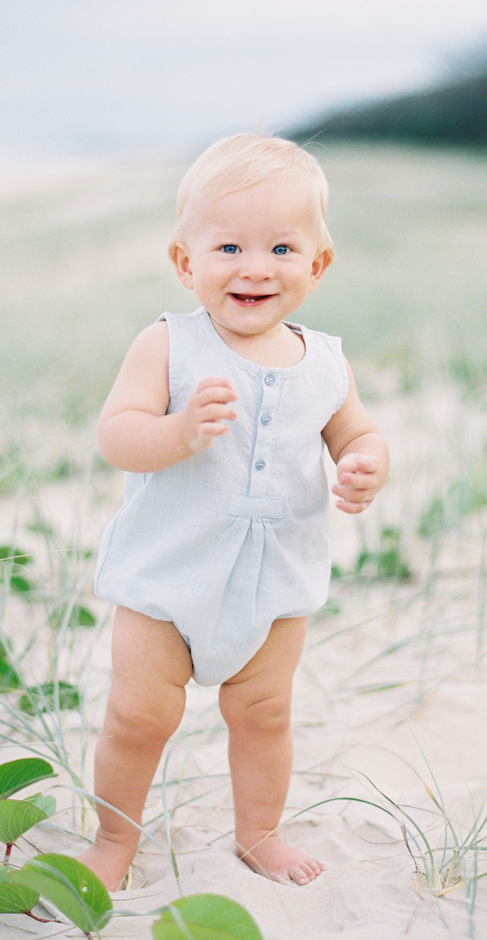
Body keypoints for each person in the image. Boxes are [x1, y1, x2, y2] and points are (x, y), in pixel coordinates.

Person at [81, 132, 389, 891]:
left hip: (272, 583)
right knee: (138, 719)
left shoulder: (326, 362)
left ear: (317, 267)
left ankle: (260, 834)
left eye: (283, 247)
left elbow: (357, 431)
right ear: (186, 263)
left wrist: (365, 465)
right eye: (228, 246)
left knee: (264, 716)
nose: (255, 266)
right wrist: (179, 432)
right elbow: (118, 435)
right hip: (168, 579)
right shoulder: (169, 347)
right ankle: (113, 845)